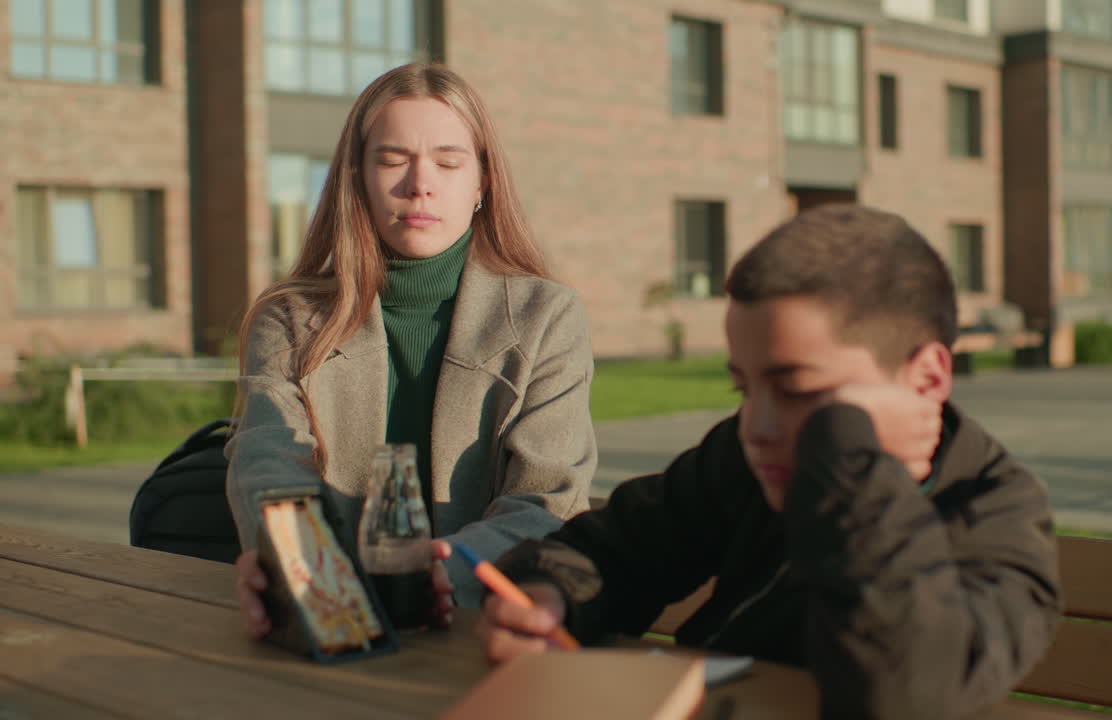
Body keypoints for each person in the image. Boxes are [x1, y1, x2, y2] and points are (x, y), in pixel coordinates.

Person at [477, 204, 1062, 719]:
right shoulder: (745, 457)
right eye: (743, 389)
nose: (756, 428)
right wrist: (548, 597)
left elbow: (904, 689)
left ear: (928, 378)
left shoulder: (997, 516)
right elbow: (617, 548)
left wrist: (845, 455)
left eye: (800, 391)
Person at [227, 63, 596, 636]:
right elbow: (268, 461)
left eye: (448, 162)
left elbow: (547, 494)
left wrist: (454, 570)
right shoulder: (290, 318)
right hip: (331, 621)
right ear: (357, 178)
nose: (420, 184)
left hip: (481, 628)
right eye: (393, 159)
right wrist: (295, 559)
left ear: (482, 184)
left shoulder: (546, 317)